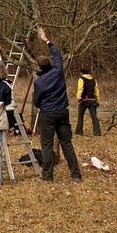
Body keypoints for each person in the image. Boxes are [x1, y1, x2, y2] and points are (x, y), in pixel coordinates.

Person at [33, 28, 82, 182]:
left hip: (47, 114)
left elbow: (36, 101)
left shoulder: (39, 82)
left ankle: (47, 176)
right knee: (67, 143)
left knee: (47, 145)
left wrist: (41, 104)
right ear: (50, 64)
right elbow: (57, 55)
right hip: (62, 112)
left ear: (39, 67)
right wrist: (46, 40)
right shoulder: (58, 70)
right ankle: (76, 175)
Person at [75, 67, 101, 136]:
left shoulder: (81, 79)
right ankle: (97, 132)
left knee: (80, 116)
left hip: (84, 100)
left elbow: (80, 89)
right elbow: (96, 91)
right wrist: (98, 100)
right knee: (94, 117)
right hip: (92, 100)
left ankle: (79, 132)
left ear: (81, 72)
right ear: (89, 72)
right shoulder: (93, 80)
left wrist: (78, 98)